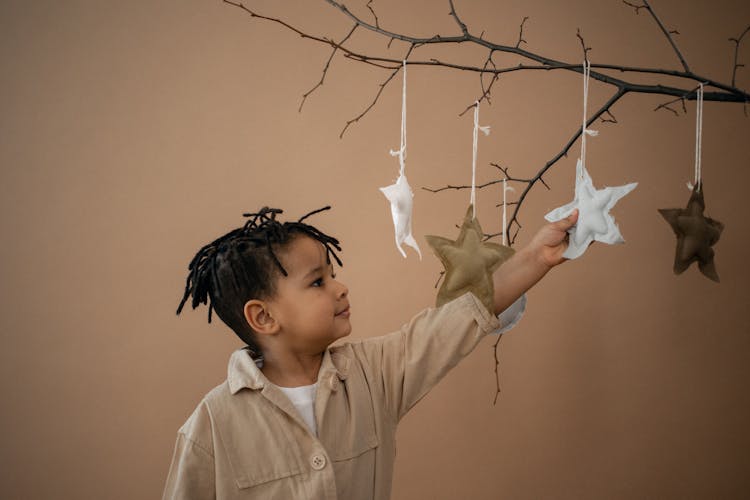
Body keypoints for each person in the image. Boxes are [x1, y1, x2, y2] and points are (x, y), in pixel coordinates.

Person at [163, 205, 578, 500]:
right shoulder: (211, 424)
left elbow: (456, 321)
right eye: (317, 282)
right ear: (264, 317)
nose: (340, 287)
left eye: (333, 274)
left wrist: (536, 256)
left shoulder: (372, 373)